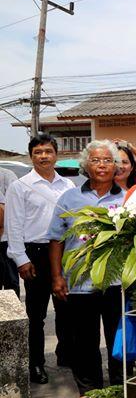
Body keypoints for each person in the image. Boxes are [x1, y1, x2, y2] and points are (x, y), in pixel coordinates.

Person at [47, 140, 126, 398]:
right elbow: (56, 239)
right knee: (84, 341)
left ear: (116, 166)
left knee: (118, 339)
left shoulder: (127, 198)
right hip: (80, 283)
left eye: (107, 160)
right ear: (85, 165)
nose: (102, 165)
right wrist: (57, 277)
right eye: (95, 160)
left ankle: (119, 389)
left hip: (117, 283)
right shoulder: (69, 198)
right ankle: (89, 390)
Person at [5, 134, 75, 384]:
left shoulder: (68, 185)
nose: (43, 156)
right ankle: (35, 363)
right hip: (35, 254)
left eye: (48, 151)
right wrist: (21, 259)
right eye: (38, 152)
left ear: (56, 154)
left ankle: (66, 354)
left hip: (65, 252)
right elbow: (13, 225)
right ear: (31, 156)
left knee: (66, 309)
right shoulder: (20, 186)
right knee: (36, 315)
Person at [0, 166, 19, 296]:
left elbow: (4, 209)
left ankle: (12, 308)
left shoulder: (6, 174)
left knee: (10, 283)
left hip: (5, 240)